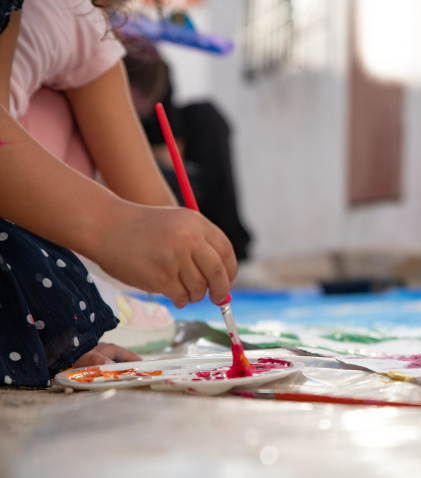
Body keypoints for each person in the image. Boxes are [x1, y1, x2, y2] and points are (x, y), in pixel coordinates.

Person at [0, 0, 237, 387]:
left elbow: (151, 203)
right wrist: (112, 228)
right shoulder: (74, 20)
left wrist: (181, 241)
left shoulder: (71, 22)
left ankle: (52, 312)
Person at [123, 48, 253, 261]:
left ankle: (230, 245)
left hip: (156, 151)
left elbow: (168, 149)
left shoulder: (156, 68)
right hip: (119, 144)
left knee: (206, 117)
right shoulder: (104, 58)